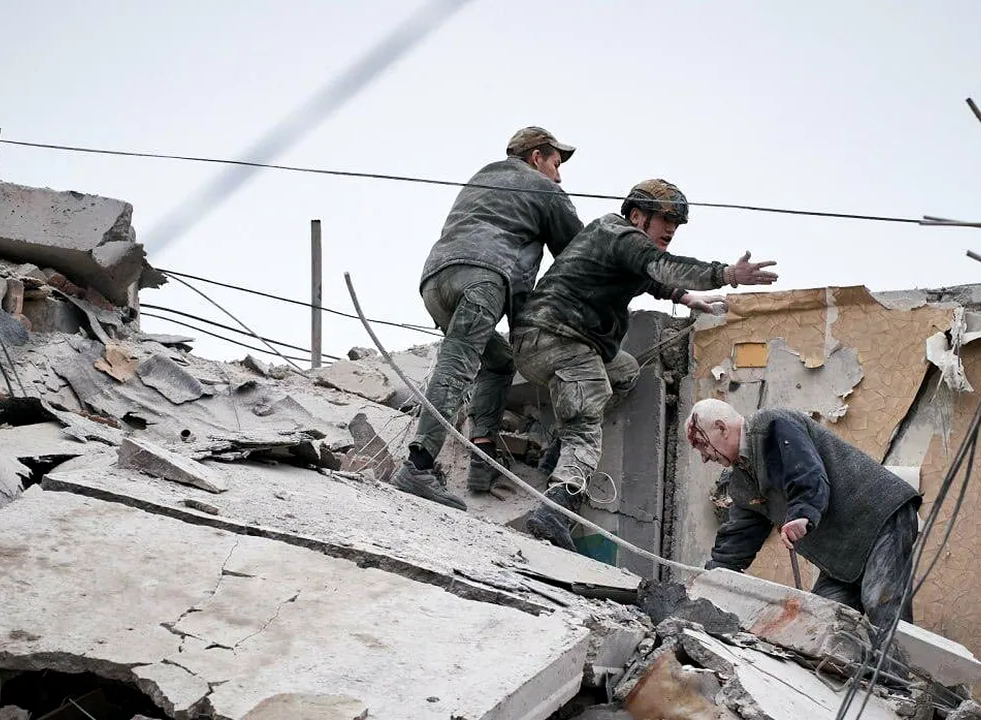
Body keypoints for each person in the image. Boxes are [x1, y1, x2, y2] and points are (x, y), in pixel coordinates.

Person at [513, 179, 779, 550]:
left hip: (554, 341)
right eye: (665, 219)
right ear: (637, 216)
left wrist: (684, 298)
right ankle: (555, 511)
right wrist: (728, 275)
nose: (671, 228)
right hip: (557, 337)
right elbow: (661, 268)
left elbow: (651, 279)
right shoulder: (618, 233)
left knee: (623, 372)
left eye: (676, 223)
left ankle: (558, 450)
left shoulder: (622, 247)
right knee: (586, 425)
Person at [392, 127, 585, 511]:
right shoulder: (543, 188)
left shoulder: (483, 176)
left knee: (498, 361)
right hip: (483, 279)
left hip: (436, 282)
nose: (559, 176)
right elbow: (580, 252)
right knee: (457, 365)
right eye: (556, 163)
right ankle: (418, 464)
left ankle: (482, 452)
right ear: (537, 158)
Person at [685, 398, 922, 637]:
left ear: (721, 428)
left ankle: (899, 662)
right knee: (822, 624)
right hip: (843, 549)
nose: (704, 457)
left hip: (878, 517)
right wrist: (711, 578)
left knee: (883, 607)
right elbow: (738, 538)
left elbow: (807, 472)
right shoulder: (742, 482)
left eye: (702, 445)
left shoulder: (772, 425)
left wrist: (803, 514)